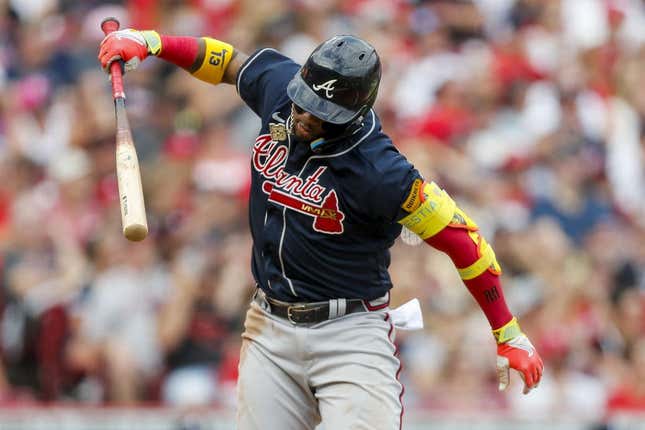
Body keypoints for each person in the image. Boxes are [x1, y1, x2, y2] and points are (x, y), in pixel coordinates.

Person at [98, 27, 544, 429]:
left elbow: (463, 241)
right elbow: (229, 63)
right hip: (270, 326)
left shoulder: (384, 174)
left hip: (349, 335)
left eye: (320, 112)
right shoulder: (283, 93)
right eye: (303, 101)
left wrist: (508, 333)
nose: (303, 116)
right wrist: (153, 43)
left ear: (354, 112)